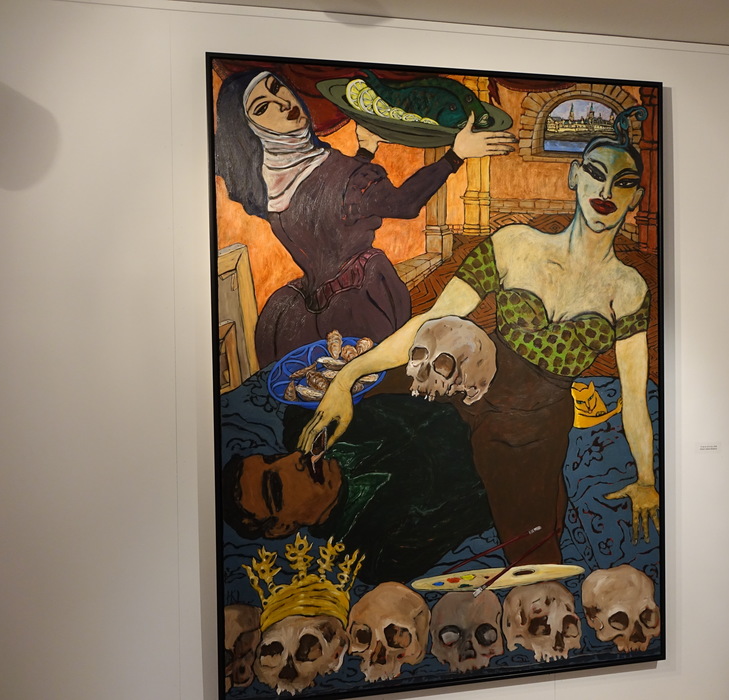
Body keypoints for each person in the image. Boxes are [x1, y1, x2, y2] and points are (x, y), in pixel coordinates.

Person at [298, 106, 660, 564]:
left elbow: (634, 395)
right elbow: (432, 319)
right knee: (330, 398)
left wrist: (646, 479)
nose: (606, 191)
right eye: (595, 173)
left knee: (529, 544)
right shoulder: (515, 243)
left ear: (636, 197)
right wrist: (348, 376)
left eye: (623, 183)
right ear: (574, 175)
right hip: (467, 366)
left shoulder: (629, 289)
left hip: (534, 416)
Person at [215, 69, 515, 367]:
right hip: (361, 300)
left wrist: (364, 152)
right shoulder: (336, 174)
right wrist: (455, 155)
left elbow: (331, 205)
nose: (282, 103)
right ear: (250, 128)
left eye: (276, 87)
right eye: (262, 108)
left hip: (313, 309)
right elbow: (403, 204)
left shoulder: (266, 181)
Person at [221, 394, 494, 584]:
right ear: (282, 528)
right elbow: (488, 504)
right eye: (276, 487)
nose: (294, 459)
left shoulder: (305, 422)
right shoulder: (379, 555)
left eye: (274, 457)